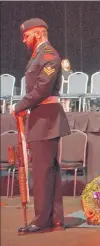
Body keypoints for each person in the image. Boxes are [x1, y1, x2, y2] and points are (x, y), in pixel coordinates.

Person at [13, 18, 71, 234]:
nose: (24, 40)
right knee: (49, 171)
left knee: (42, 171)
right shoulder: (39, 56)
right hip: (43, 117)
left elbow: (42, 89)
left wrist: (20, 105)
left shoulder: (48, 55)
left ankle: (41, 221)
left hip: (45, 118)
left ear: (37, 33)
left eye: (26, 35)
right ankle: (55, 218)